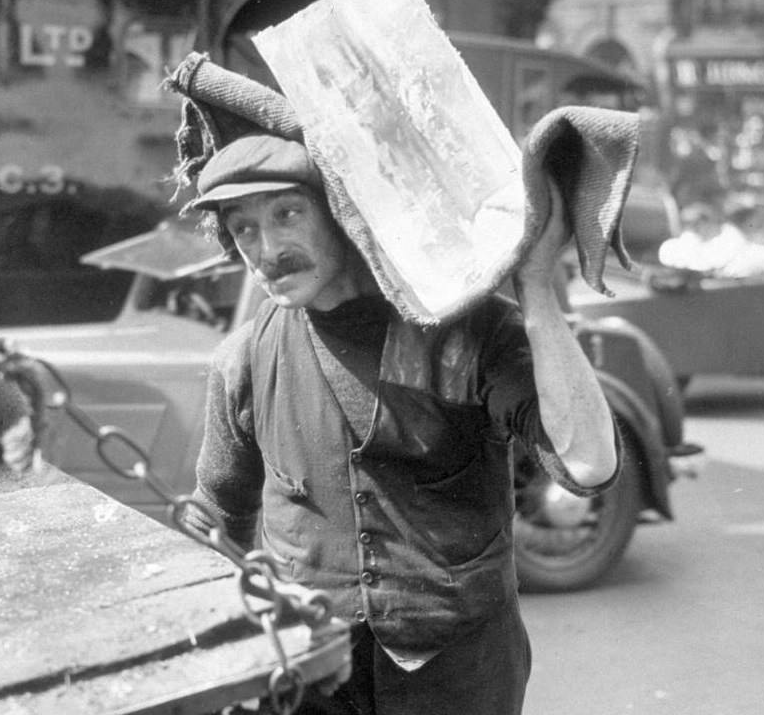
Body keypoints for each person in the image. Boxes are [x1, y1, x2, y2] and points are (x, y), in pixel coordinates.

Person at [179, 131, 621, 715]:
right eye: (245, 230)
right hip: (311, 677)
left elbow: (592, 463)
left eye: (287, 214)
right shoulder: (246, 358)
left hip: (459, 677)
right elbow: (215, 519)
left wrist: (536, 288)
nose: (267, 249)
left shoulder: (466, 331)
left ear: (341, 212)